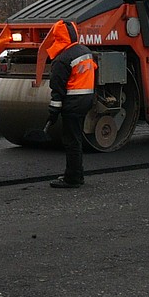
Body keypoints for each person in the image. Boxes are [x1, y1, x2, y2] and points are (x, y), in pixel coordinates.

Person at [42, 18, 96, 188]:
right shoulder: (85, 51)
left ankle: (73, 178)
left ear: (57, 37)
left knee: (71, 141)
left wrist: (53, 111)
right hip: (86, 100)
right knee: (77, 139)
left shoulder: (61, 59)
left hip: (72, 103)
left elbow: (58, 91)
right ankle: (76, 174)